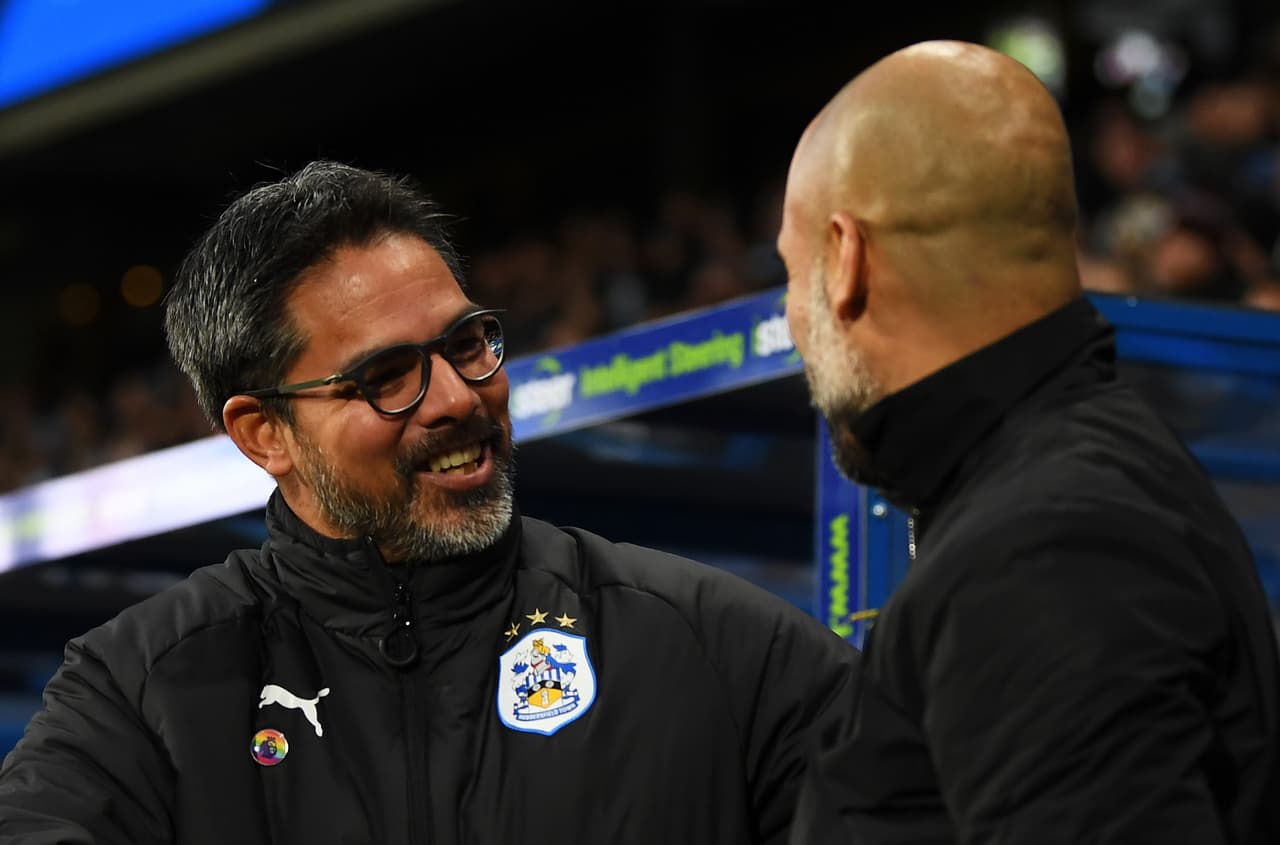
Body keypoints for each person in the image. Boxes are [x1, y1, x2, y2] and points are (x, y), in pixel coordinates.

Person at [0, 161, 858, 843]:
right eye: (387, 376)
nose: (455, 396)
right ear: (264, 433)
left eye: (468, 342)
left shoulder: (718, 644)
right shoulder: (137, 693)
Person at [776, 40, 1280, 844]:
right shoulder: (1070, 481)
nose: (792, 321)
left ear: (844, 259)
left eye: (790, 273)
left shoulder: (1038, 542)